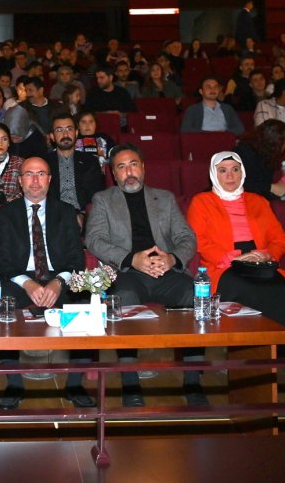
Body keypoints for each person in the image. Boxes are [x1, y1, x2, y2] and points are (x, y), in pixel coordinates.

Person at [85, 143, 206, 407]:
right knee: (124, 297)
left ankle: (193, 382)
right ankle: (130, 383)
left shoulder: (165, 198)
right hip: (127, 272)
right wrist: (132, 259)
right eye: (121, 167)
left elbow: (187, 238)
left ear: (143, 168)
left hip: (166, 271)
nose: (129, 172)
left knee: (194, 296)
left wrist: (171, 258)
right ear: (113, 173)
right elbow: (94, 240)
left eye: (133, 165)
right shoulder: (104, 200)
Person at [0, 157, 95, 410]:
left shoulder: (66, 212)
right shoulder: (6, 214)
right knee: (3, 301)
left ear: (49, 179)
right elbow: (2, 261)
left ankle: (75, 384)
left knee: (84, 298)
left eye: (41, 174)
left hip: (59, 276)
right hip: (20, 278)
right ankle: (14, 383)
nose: (35, 180)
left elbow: (76, 259)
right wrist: (28, 284)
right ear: (20, 181)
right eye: (29, 174)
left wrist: (58, 282)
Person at [187, 152, 285, 344]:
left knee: (280, 289)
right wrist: (234, 258)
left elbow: (280, 238)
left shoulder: (259, 201)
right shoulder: (201, 202)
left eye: (235, 169)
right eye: (223, 171)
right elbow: (198, 240)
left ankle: (278, 343)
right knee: (246, 288)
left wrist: (267, 255)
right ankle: (247, 345)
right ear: (214, 174)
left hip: (261, 262)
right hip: (224, 265)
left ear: (242, 173)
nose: (230, 175)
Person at [44, 113, 105, 229]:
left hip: (84, 216)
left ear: (76, 133)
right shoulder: (44, 163)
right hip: (53, 216)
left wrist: (83, 214)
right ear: (52, 136)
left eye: (69, 129)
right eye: (59, 130)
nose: (65, 134)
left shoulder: (90, 161)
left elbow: (96, 195)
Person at [233, 119, 285, 199]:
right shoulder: (243, 152)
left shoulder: (268, 154)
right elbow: (239, 183)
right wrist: (271, 187)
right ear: (275, 141)